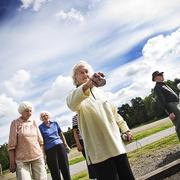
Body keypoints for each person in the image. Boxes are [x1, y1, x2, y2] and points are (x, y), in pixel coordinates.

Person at [66, 61, 135, 180]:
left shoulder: (101, 93)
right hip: (99, 152)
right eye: (80, 72)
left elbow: (115, 114)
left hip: (116, 145)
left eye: (86, 71)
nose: (85, 74)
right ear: (75, 79)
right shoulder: (74, 95)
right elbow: (72, 104)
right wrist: (87, 85)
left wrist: (126, 129)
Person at [8, 101, 47, 180]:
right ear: (21, 112)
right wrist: (12, 163)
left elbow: (40, 141)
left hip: (37, 157)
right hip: (21, 161)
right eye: (27, 111)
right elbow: (11, 146)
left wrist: (42, 156)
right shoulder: (15, 123)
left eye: (30, 111)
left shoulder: (34, 122)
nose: (29, 113)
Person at [39, 111, 71, 180]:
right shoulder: (40, 127)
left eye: (46, 115)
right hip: (49, 150)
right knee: (54, 170)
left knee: (65, 167)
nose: (45, 117)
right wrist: (43, 154)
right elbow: (41, 142)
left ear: (49, 116)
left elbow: (61, 134)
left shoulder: (55, 123)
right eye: (43, 116)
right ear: (41, 118)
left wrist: (66, 145)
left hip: (60, 146)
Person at [152, 71, 180, 140]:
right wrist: (170, 112)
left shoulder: (164, 84)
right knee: (179, 125)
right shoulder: (157, 87)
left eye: (162, 74)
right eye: (160, 74)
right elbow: (162, 101)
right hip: (171, 106)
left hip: (176, 104)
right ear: (155, 78)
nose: (162, 75)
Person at [72, 114, 96, 180]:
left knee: (97, 156)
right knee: (89, 159)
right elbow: (75, 132)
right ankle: (94, 177)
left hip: (93, 138)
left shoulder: (88, 113)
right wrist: (78, 143)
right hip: (82, 141)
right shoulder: (75, 117)